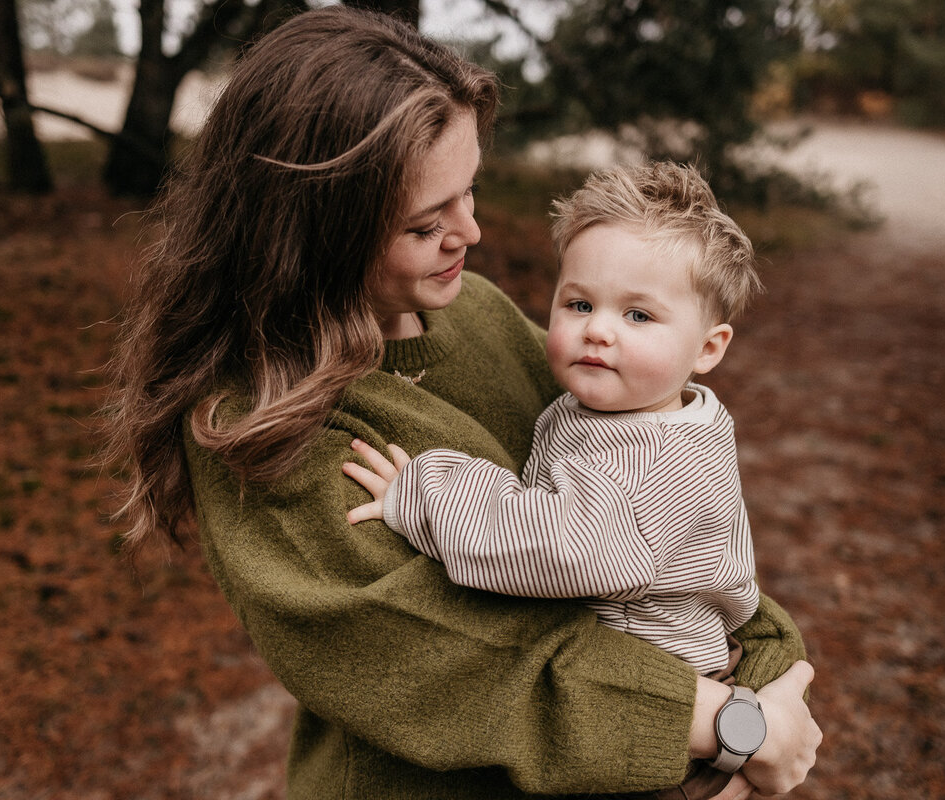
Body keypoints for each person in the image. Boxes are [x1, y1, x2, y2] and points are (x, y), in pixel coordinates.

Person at [104, 6, 821, 800]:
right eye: (424, 222)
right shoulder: (263, 424)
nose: (471, 232)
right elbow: (478, 665)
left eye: (468, 191)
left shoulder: (471, 309)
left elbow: (660, 507)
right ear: (313, 230)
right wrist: (733, 725)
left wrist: (766, 669)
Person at [344, 161, 776, 798]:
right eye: (579, 304)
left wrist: (427, 493)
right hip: (628, 707)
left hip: (644, 730)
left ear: (708, 349)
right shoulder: (625, 407)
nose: (597, 329)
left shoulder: (653, 454)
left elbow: (560, 546)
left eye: (639, 317)